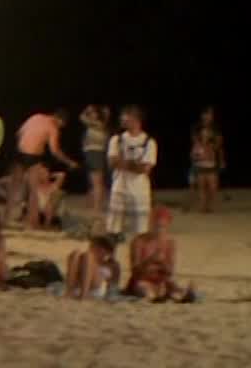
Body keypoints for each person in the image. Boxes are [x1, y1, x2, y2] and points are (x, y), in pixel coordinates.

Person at [14, 109, 79, 229]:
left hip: (19, 152)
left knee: (22, 187)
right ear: (60, 121)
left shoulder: (36, 116)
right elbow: (55, 151)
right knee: (33, 191)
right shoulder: (53, 127)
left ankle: (19, 217)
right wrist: (69, 162)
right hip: (33, 156)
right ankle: (33, 222)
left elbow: (19, 132)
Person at [104, 105, 156, 240]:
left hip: (140, 187)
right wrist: (134, 164)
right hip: (119, 185)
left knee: (141, 225)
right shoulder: (116, 139)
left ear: (137, 120)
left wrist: (123, 162)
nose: (123, 121)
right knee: (114, 222)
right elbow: (112, 163)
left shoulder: (149, 142)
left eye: (126, 118)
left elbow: (145, 168)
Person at [124, 207, 193, 302]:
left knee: (172, 285)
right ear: (150, 225)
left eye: (162, 227)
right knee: (144, 288)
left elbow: (170, 272)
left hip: (161, 280)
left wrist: (161, 262)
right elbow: (135, 270)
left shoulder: (170, 243)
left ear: (167, 226)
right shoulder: (139, 241)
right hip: (142, 279)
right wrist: (150, 260)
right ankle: (159, 296)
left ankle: (177, 295)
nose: (159, 230)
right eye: (156, 226)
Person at [190, 107, 226, 214]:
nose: (208, 117)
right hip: (200, 165)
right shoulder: (197, 129)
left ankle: (209, 205)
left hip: (212, 164)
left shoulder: (216, 129)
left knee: (213, 187)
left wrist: (221, 160)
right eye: (207, 114)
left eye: (210, 114)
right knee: (201, 186)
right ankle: (202, 207)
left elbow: (220, 146)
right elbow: (193, 151)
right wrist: (196, 157)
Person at [64, 233, 121, 300]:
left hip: (96, 289)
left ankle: (84, 295)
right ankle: (69, 292)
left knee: (88, 256)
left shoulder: (112, 265)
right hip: (77, 287)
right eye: (93, 246)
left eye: (99, 248)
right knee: (76, 253)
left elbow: (113, 286)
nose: (93, 248)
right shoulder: (84, 259)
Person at [79, 104, 111, 215]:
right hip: (91, 153)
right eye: (91, 113)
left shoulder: (98, 124)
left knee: (97, 182)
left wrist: (87, 110)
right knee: (93, 181)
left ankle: (97, 208)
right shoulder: (95, 125)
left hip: (95, 153)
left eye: (93, 112)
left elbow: (82, 117)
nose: (91, 114)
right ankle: (92, 206)